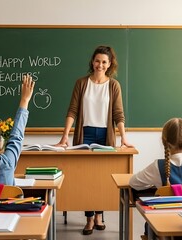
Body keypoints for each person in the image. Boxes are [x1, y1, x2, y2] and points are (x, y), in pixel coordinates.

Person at [56, 45, 133, 235]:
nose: (100, 65)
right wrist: (65, 136)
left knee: (102, 177)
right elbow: (72, 110)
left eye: (104, 62)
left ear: (109, 64)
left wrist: (123, 138)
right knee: (86, 178)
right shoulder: (81, 83)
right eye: (97, 61)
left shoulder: (114, 86)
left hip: (105, 136)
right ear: (92, 62)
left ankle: (99, 216)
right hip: (85, 134)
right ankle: (89, 219)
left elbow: (118, 114)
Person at [129, 67, 182, 240]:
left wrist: (158, 187)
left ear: (164, 141)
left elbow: (134, 183)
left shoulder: (158, 167)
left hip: (166, 232)